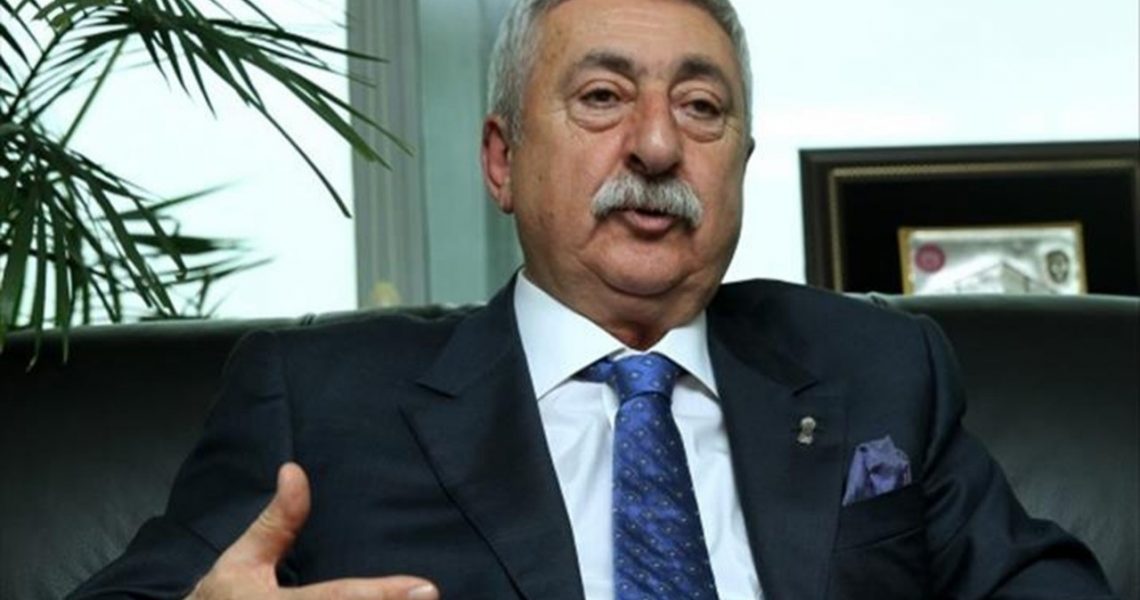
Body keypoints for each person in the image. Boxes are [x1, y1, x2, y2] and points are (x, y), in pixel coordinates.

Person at [71, 0, 1116, 598]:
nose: (657, 145)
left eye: (700, 107)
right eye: (603, 96)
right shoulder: (320, 399)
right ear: (502, 159)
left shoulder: (875, 366)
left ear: (741, 162)